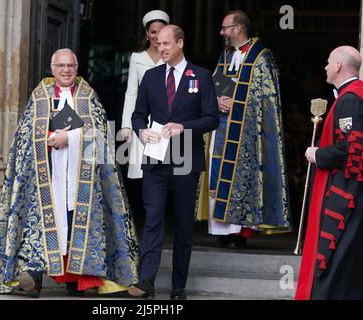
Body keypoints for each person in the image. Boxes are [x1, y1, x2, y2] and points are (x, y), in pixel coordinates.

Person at [0, 49, 139, 298]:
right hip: (47, 175)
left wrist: (69, 137)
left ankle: (78, 280)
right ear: (52, 68)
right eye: (61, 66)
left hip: (82, 178)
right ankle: (32, 279)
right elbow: (25, 136)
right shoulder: (40, 96)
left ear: (77, 68)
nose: (66, 70)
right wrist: (49, 138)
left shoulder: (88, 96)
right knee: (43, 226)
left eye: (70, 65)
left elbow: (100, 137)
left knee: (73, 225)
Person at [128, 25, 219, 300]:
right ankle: (146, 282)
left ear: (180, 43)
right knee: (153, 220)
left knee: (182, 225)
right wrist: (142, 131)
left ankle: (178, 286)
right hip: (155, 161)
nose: (161, 48)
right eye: (158, 43)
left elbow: (212, 118)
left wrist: (185, 127)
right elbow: (137, 115)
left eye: (167, 43)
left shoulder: (201, 77)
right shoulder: (151, 77)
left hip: (186, 161)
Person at [197, 10, 291, 248]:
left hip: (246, 132)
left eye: (225, 28)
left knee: (242, 178)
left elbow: (266, 99)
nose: (221, 32)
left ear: (238, 29)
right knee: (218, 175)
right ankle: (222, 230)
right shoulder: (227, 55)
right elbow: (218, 83)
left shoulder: (261, 57)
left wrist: (236, 102)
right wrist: (216, 100)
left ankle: (239, 234)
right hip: (222, 126)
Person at [296, 46, 363, 300]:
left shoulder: (350, 99)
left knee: (335, 256)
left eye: (328, 62)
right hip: (349, 191)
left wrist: (317, 155)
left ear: (337, 66)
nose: (324, 67)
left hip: (345, 193)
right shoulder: (352, 96)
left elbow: (350, 148)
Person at [120, 9, 170, 179]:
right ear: (147, 34)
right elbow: (131, 93)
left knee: (167, 172)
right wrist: (126, 125)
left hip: (168, 122)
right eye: (153, 32)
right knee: (142, 173)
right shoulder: (137, 57)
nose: (157, 36)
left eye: (161, 32)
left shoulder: (171, 57)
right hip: (143, 121)